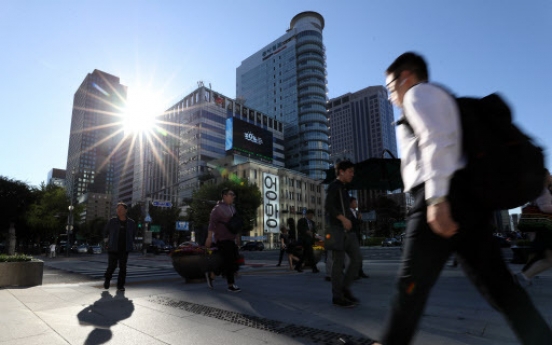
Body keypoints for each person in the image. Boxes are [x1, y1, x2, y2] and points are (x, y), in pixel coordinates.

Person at [373, 52, 552, 345]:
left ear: (406, 77)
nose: (392, 96)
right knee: (501, 289)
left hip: (441, 197)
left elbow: (436, 139)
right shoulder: (442, 97)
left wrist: (436, 199)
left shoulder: (419, 94)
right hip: (467, 201)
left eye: (391, 87)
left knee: (410, 287)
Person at [324, 160, 362, 308]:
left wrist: (354, 219)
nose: (352, 174)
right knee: (338, 264)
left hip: (348, 231)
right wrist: (342, 218)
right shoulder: (334, 186)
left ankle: (344, 288)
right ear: (341, 171)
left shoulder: (345, 189)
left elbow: (345, 210)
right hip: (336, 230)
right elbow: (329, 206)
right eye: (350, 171)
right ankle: (337, 296)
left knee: (357, 259)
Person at [516, 169, 552, 286]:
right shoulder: (543, 191)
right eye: (549, 175)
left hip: (543, 230)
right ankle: (524, 276)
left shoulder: (540, 191)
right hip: (547, 231)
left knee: (546, 258)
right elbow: (545, 208)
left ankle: (525, 276)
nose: (551, 176)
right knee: (547, 259)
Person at [205, 188, 241, 292]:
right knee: (229, 262)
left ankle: (211, 275)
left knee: (229, 261)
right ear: (224, 196)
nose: (233, 196)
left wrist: (237, 237)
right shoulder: (217, 209)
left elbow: (236, 223)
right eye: (231, 194)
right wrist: (209, 237)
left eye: (233, 195)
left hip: (231, 238)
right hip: (222, 238)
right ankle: (231, 284)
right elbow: (212, 223)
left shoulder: (233, 208)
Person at [103, 202, 137, 291]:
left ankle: (120, 285)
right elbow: (105, 232)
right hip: (113, 247)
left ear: (126, 210)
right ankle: (107, 279)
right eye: (118, 209)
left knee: (123, 268)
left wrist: (131, 243)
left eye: (121, 209)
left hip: (124, 249)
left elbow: (133, 234)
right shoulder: (112, 221)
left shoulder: (131, 222)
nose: (119, 210)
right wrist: (106, 241)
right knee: (112, 266)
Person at [349, 197, 368, 279]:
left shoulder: (356, 212)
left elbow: (359, 223)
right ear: (350, 203)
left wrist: (359, 218)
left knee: (358, 255)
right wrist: (359, 219)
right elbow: (352, 224)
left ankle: (359, 271)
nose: (356, 204)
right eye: (355, 202)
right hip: (351, 236)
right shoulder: (347, 212)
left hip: (357, 236)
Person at [298, 209, 320, 273]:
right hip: (304, 240)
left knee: (305, 254)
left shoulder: (313, 223)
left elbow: (314, 232)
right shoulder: (301, 221)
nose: (311, 217)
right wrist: (307, 232)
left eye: (312, 215)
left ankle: (298, 266)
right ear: (307, 214)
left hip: (310, 240)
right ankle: (314, 268)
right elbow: (300, 229)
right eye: (310, 215)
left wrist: (316, 239)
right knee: (310, 254)